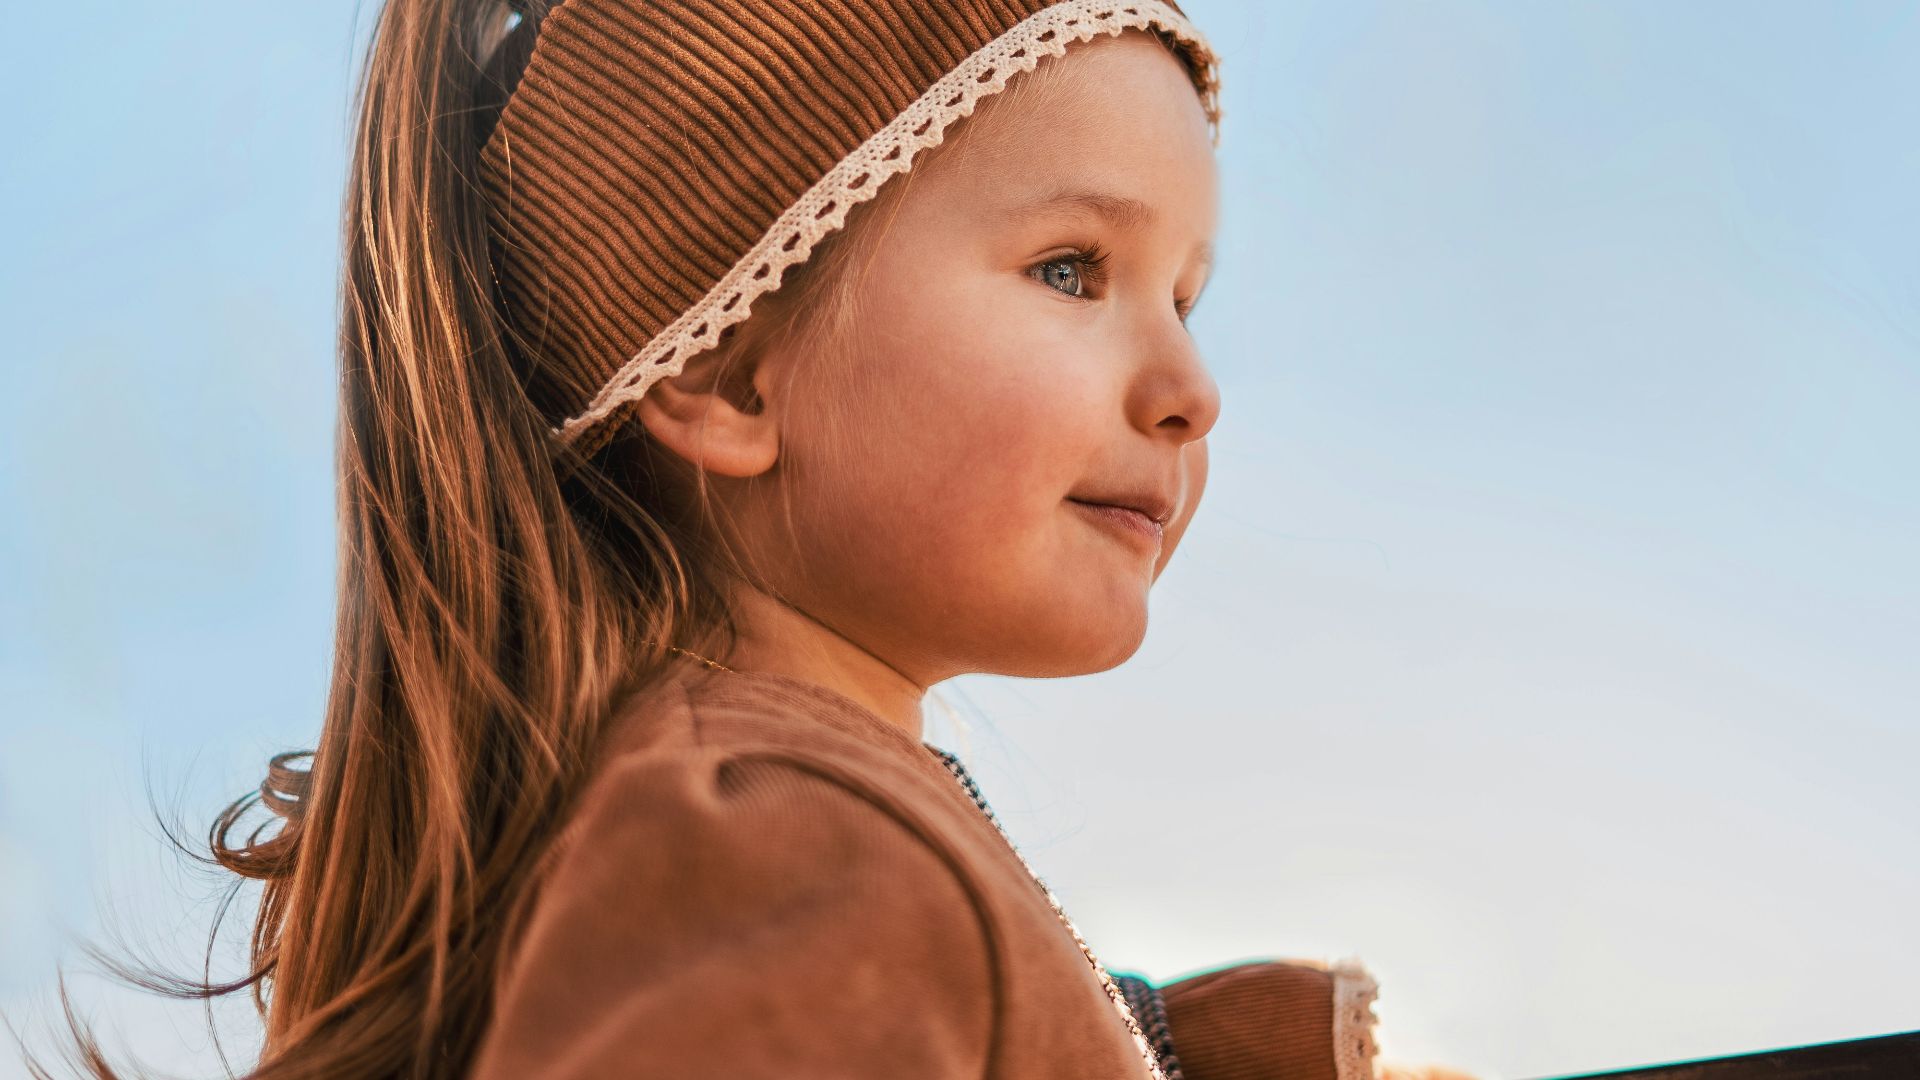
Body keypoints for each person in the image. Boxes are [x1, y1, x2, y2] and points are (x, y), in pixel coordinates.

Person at [27, 2, 1467, 1077]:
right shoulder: (779, 836)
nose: (1189, 389)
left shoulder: (776, 821)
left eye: (1186, 297)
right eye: (1072, 270)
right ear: (725, 373)